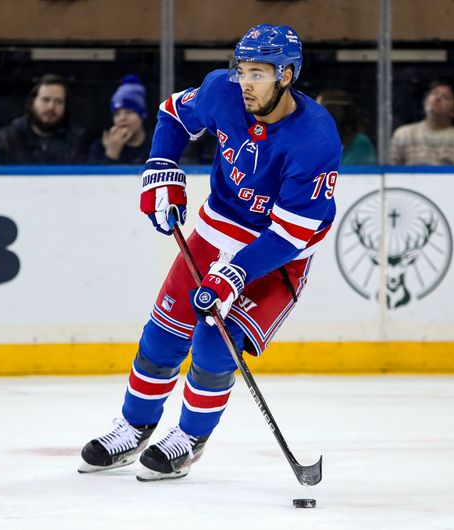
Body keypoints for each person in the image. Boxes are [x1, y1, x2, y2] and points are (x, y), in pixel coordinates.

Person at [79, 24, 341, 481]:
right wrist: (162, 166)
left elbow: (291, 235)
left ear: (287, 75)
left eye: (258, 73)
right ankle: (134, 426)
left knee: (215, 343)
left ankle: (189, 437)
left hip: (276, 255)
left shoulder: (316, 138)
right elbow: (172, 115)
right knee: (162, 335)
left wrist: (236, 274)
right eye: (241, 69)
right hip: (215, 231)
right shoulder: (222, 91)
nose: (245, 83)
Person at [0, 74, 86, 165]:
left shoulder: (77, 140)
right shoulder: (8, 138)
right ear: (32, 102)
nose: (51, 107)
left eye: (58, 102)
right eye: (45, 100)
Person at [390, 77, 454, 165]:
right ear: (425, 101)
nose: (437, 98)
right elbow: (390, 174)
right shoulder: (403, 134)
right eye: (434, 93)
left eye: (446, 97)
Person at [88, 74, 152, 164]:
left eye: (129, 112)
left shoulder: (156, 146)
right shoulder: (100, 148)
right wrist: (111, 153)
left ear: (142, 115)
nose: (122, 118)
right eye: (117, 114)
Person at [316, 89, 377, 164]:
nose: (313, 113)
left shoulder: (360, 143)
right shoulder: (316, 142)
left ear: (331, 111)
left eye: (317, 107)